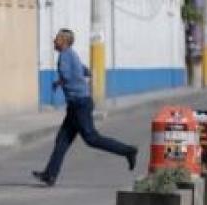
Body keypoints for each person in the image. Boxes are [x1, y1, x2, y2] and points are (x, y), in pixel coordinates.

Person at [33, 29, 137, 186]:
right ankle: (50, 174)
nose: (54, 41)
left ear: (64, 41)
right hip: (77, 104)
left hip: (79, 104)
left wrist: (61, 80)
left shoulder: (64, 56)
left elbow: (68, 75)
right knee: (62, 140)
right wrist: (64, 81)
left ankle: (128, 151)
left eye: (57, 39)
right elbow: (84, 70)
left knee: (92, 139)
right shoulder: (72, 54)